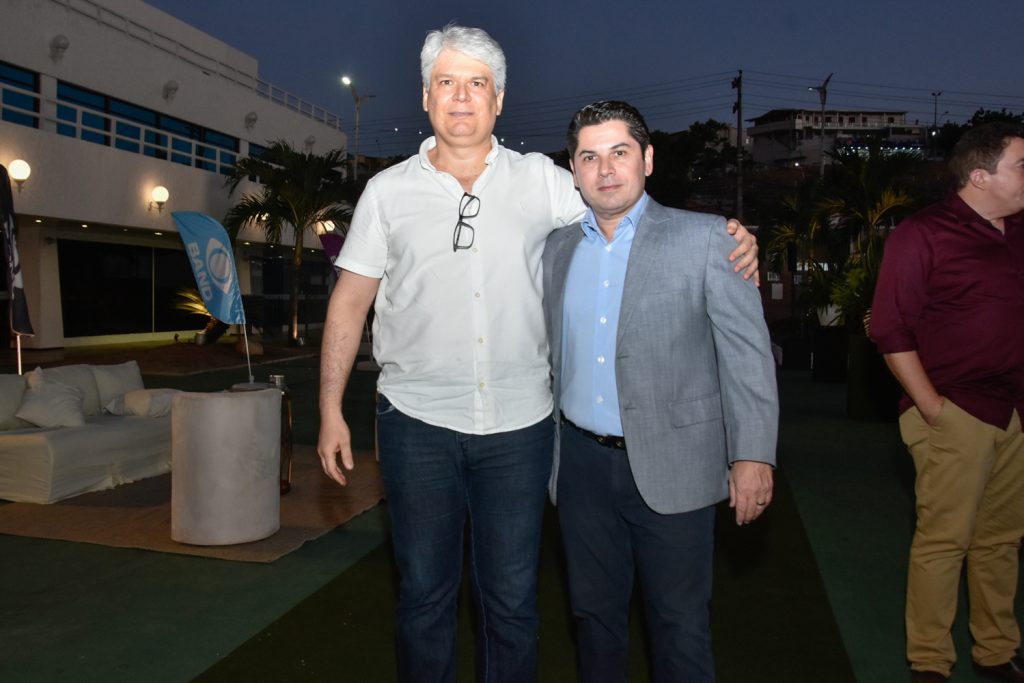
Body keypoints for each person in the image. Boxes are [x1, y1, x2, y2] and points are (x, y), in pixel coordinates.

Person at [316, 26, 759, 682]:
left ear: (498, 99)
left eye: (476, 83)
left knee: (512, 604)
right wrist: (330, 407)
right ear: (425, 95)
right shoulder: (387, 192)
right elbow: (349, 303)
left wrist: (720, 236)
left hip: (519, 428)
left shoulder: (545, 181)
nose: (460, 96)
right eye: (446, 82)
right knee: (424, 597)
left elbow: (622, 204)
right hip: (415, 423)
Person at [541, 100, 778, 682]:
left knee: (680, 627)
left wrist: (752, 455)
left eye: (619, 152)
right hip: (579, 469)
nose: (605, 170)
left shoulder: (708, 239)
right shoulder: (556, 249)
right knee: (593, 620)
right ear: (573, 170)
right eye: (589, 157)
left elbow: (747, 356)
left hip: (677, 465)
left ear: (647, 159)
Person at [870, 122, 1024, 683]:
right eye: (1022, 166)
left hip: (1014, 413)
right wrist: (934, 409)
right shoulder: (923, 234)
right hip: (955, 412)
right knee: (944, 542)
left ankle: (996, 651)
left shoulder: (1018, 232)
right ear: (980, 176)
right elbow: (890, 330)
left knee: (1001, 541)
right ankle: (931, 663)